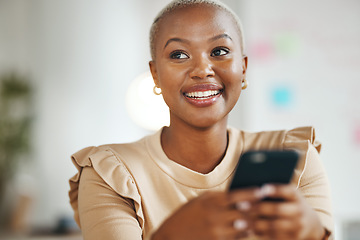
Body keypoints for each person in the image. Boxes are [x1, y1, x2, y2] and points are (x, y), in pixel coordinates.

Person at [68, 0, 334, 239]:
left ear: (243, 68)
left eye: (219, 51)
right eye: (179, 55)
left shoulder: (297, 155)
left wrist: (314, 233)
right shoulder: (111, 173)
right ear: (156, 74)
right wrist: (171, 236)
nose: (202, 70)